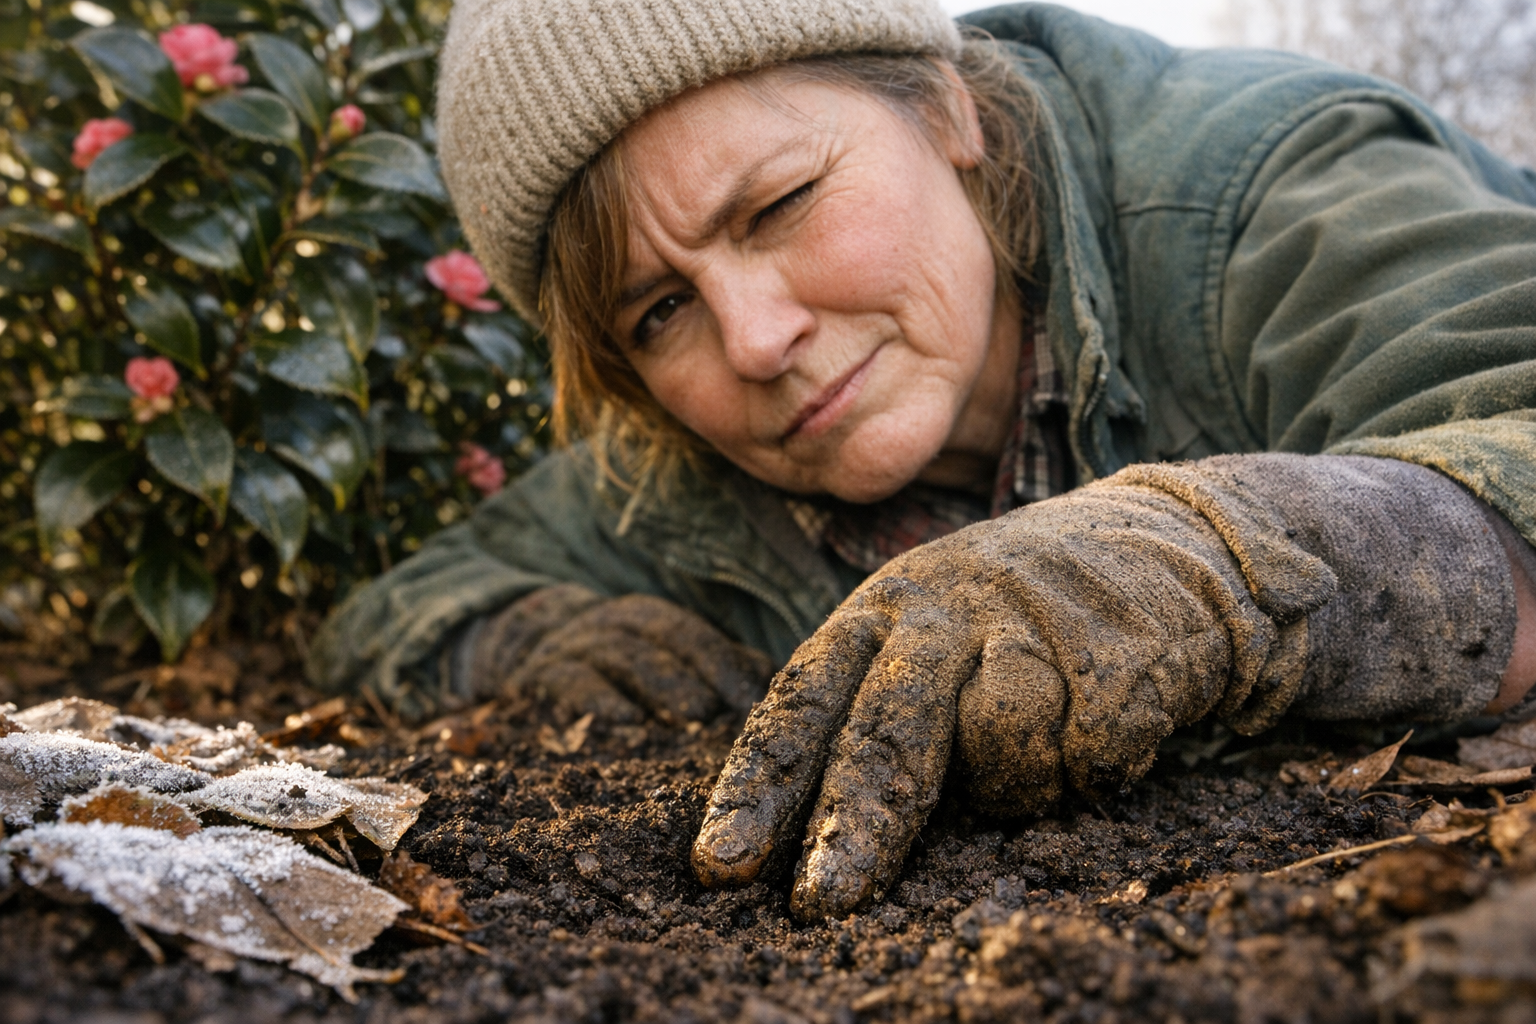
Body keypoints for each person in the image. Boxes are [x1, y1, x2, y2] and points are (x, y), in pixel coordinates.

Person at [309, 0, 1536, 920]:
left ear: (950, 108)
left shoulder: (1266, 183)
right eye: (658, 313)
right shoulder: (674, 469)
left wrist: (1222, 561)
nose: (755, 337)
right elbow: (403, 603)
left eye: (780, 202)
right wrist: (524, 640)